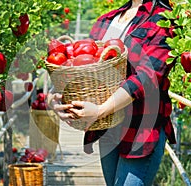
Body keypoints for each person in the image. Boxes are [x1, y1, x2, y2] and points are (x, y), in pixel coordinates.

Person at [49, 0, 177, 185]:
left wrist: (101, 109)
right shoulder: (107, 19)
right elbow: (83, 66)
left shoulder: (163, 19)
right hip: (107, 128)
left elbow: (148, 76)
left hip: (140, 128)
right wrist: (56, 95)